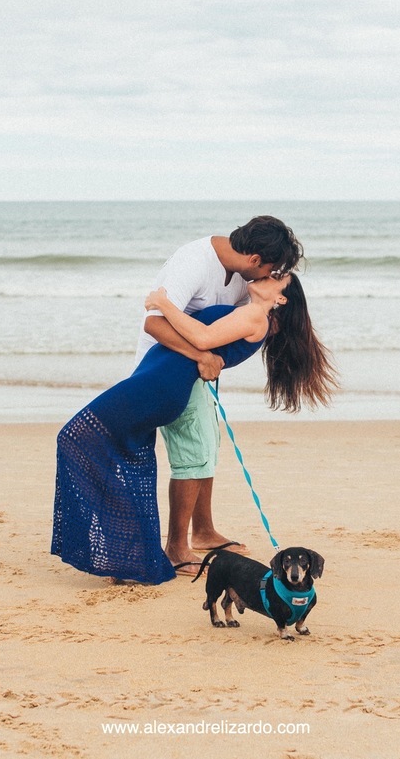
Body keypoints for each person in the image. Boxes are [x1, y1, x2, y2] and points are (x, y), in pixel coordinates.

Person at [52, 272, 337, 584]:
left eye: (277, 278)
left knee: (75, 437)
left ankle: (133, 554)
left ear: (280, 298)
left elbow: (202, 338)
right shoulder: (249, 311)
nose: (269, 275)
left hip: (161, 384)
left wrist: (163, 303)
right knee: (113, 450)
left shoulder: (257, 317)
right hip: (158, 380)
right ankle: (129, 556)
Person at [135, 217, 303, 573]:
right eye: (272, 269)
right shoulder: (193, 263)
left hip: (198, 370)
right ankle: (176, 548)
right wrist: (202, 357)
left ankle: (204, 530)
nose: (270, 276)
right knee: (192, 452)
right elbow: (153, 322)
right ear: (255, 259)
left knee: (208, 446)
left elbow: (239, 323)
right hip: (166, 369)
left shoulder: (245, 278)